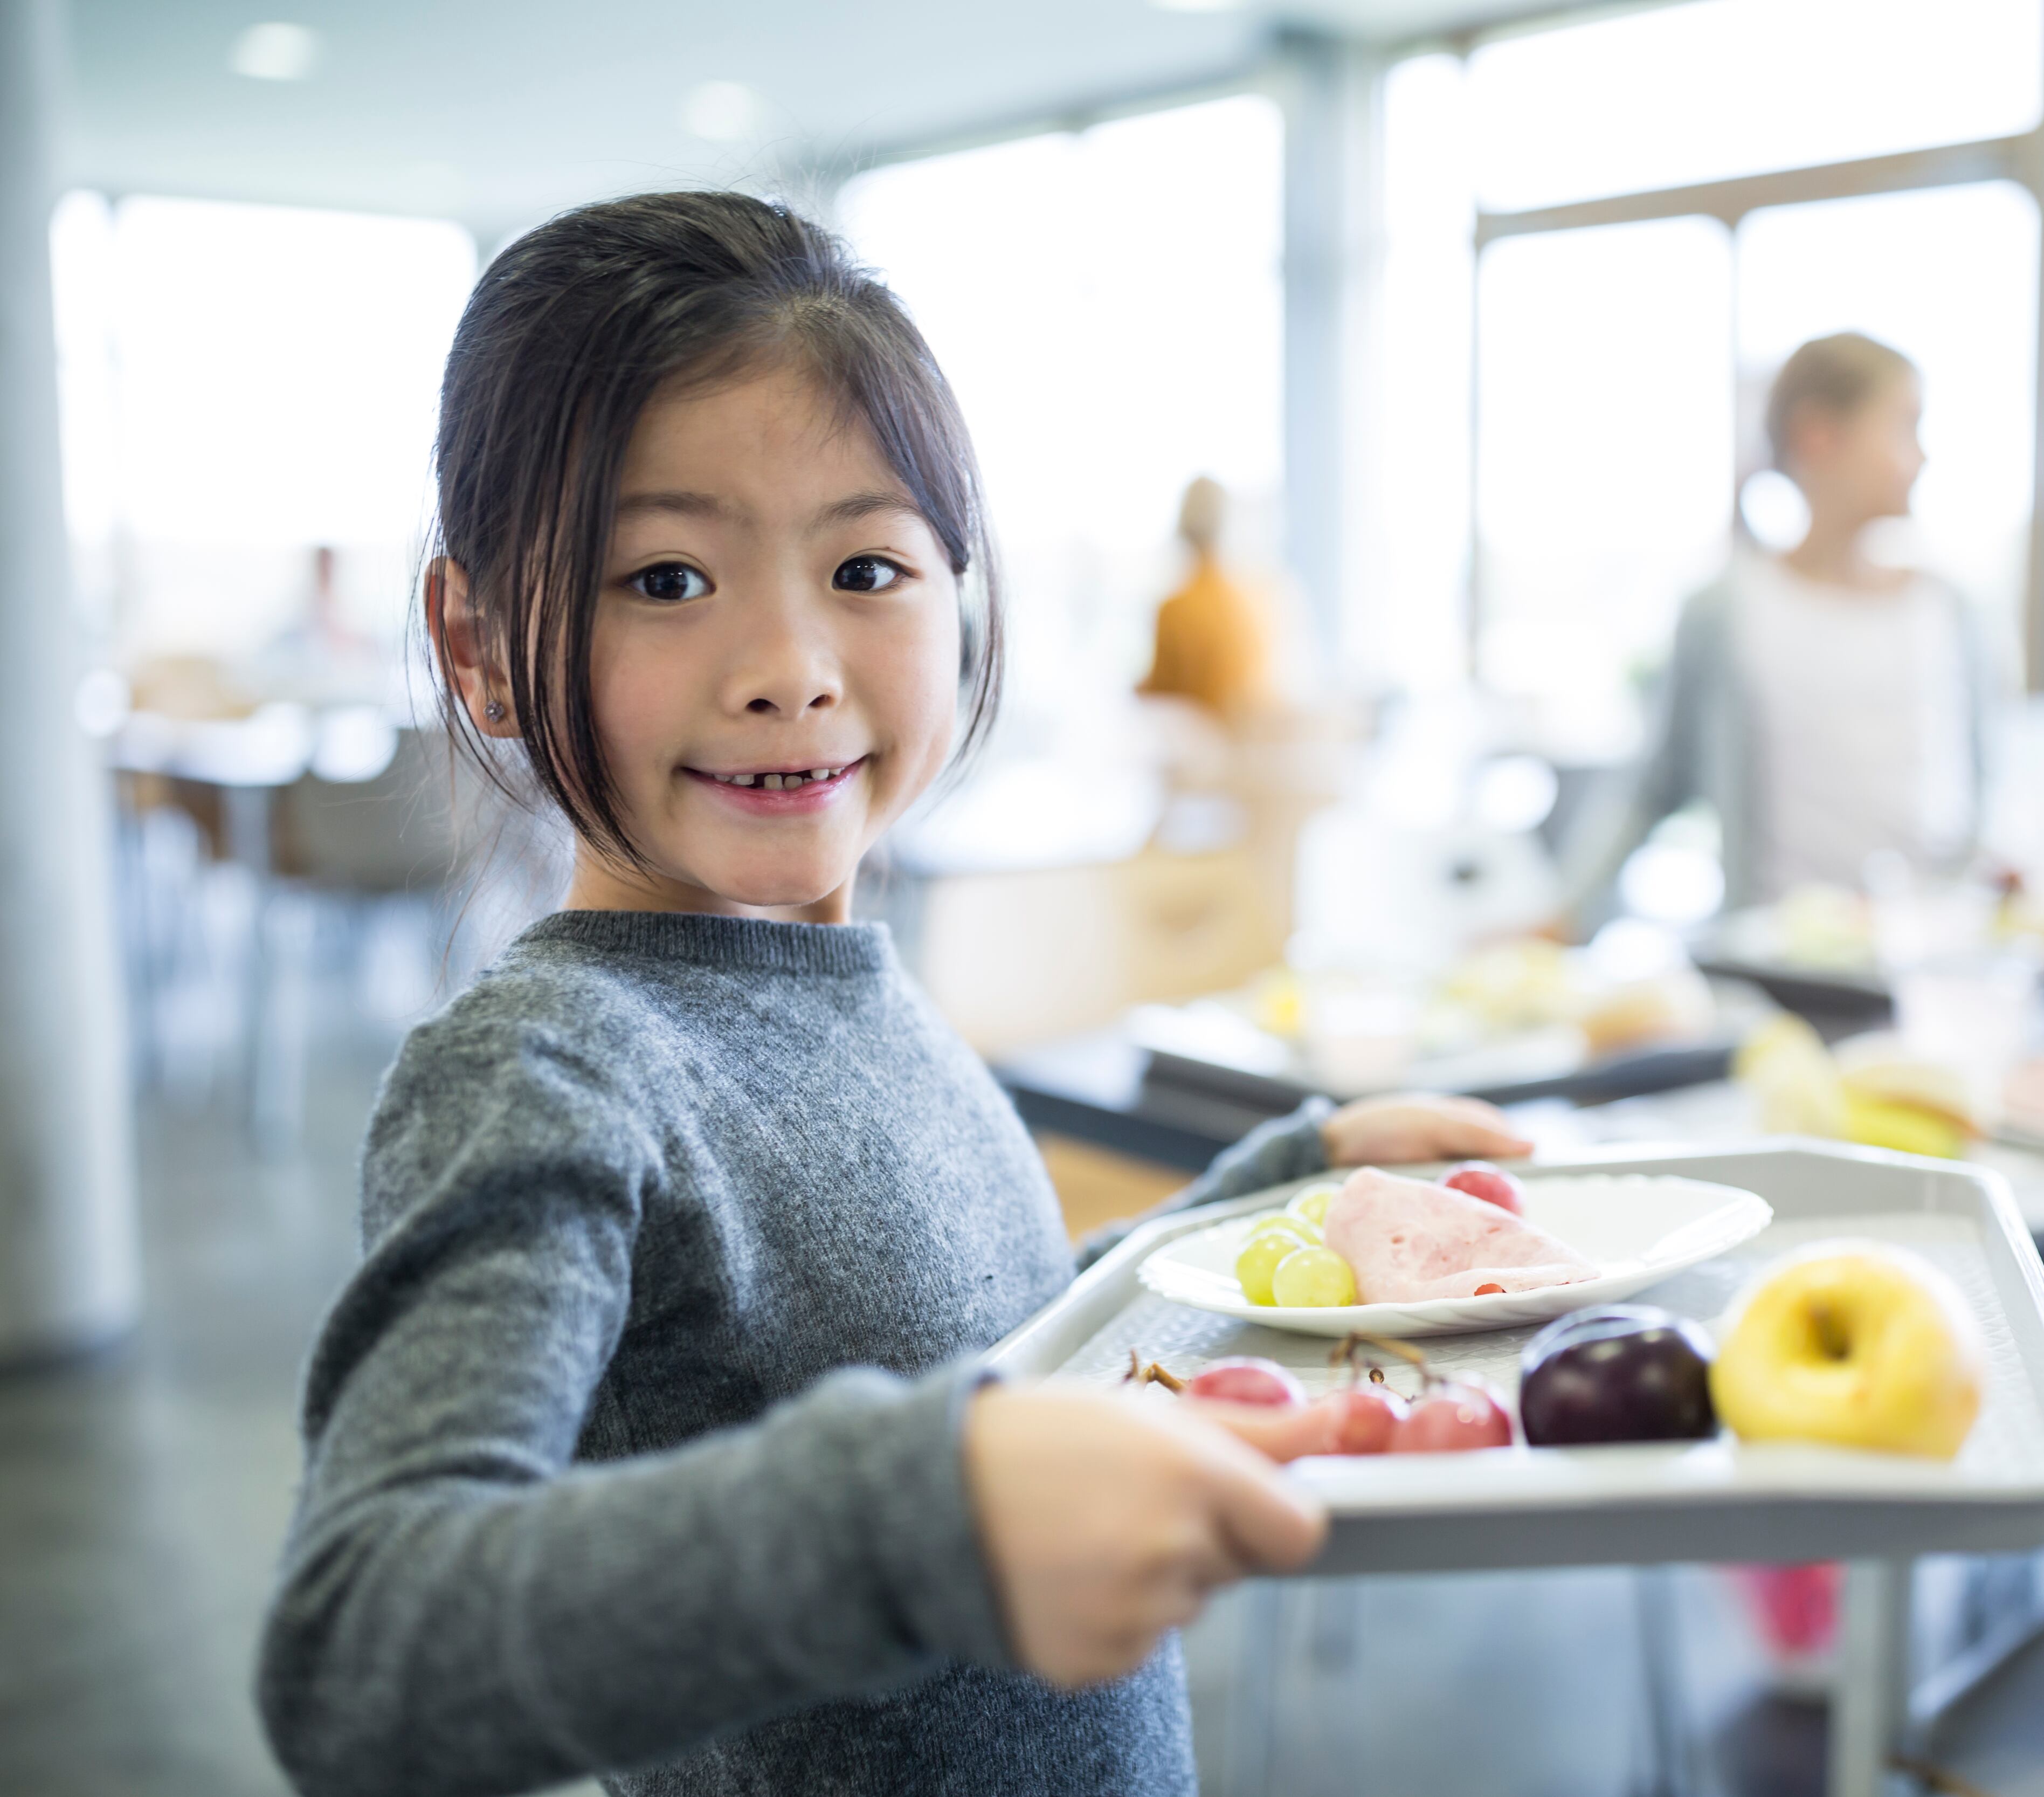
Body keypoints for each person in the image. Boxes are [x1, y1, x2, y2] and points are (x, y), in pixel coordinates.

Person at [254, 192, 1529, 1797]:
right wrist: (922, 1516)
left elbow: (968, 1350)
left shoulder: (842, 976)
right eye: (663, 579)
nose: (788, 662)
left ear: (961, 593)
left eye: (865, 564)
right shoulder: (550, 1067)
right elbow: (366, 1654)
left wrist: (1259, 1214)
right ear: (481, 642)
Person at [1566, 332, 1994, 928]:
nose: (1920, 457)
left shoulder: (1947, 610)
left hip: (1930, 955)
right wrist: (1566, 915)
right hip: (1777, 964)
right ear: (1817, 434)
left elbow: (1979, 797)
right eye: (1903, 427)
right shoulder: (1725, 609)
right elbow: (1654, 788)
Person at [1138, 474, 1278, 720]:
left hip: (1202, 743)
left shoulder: (1175, 609)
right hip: (1247, 741)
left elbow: (1162, 688)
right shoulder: (1255, 601)